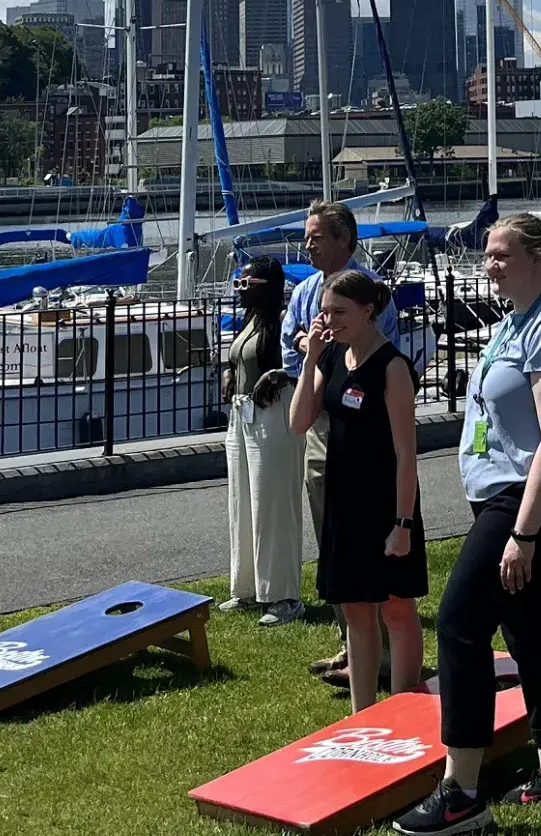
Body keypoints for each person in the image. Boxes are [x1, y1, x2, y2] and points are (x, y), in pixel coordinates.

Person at [395, 214, 541, 834]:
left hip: (536, 497)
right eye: (486, 256)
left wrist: (525, 535)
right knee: (528, 621)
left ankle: (460, 791)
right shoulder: (515, 320)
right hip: (508, 494)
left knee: (461, 622)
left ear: (537, 258)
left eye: (501, 255)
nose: (489, 265)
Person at [287, 269, 425, 713]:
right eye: (325, 311)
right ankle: (362, 715)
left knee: (397, 608)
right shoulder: (331, 358)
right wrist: (310, 359)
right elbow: (298, 421)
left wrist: (402, 524)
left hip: (385, 502)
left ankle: (405, 708)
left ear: (368, 313)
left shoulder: (392, 367)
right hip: (343, 503)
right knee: (356, 611)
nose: (329, 319)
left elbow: (407, 454)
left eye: (339, 312)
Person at [280, 201, 402, 680]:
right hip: (322, 427)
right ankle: (350, 646)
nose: (307, 244)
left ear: (343, 240)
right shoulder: (305, 291)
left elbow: (382, 352)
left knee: (369, 541)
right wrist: (311, 352)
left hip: (364, 432)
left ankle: (384, 653)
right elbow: (293, 346)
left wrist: (333, 348)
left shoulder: (370, 290)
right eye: (306, 236)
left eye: (315, 236)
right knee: (332, 540)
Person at [220, 255, 306, 627]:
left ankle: (285, 595)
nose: (239, 290)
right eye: (238, 284)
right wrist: (227, 370)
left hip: (274, 414)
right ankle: (247, 587)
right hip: (242, 414)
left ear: (266, 288)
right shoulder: (250, 320)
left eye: (246, 284)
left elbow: (303, 362)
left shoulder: (283, 322)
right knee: (243, 502)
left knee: (273, 505)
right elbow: (238, 355)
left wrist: (277, 375)